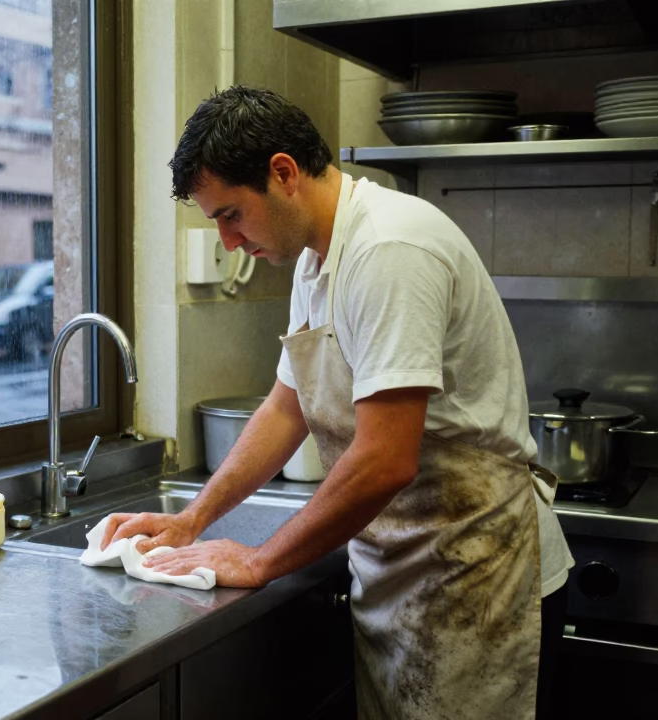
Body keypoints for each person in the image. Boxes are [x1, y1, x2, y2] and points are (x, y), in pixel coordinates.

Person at [101, 86, 574, 719]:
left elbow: (385, 460)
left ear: (283, 173)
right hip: (401, 574)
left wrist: (261, 561)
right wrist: (193, 519)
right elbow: (285, 409)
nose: (229, 241)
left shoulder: (388, 250)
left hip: (480, 576)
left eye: (231, 215)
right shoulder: (316, 259)